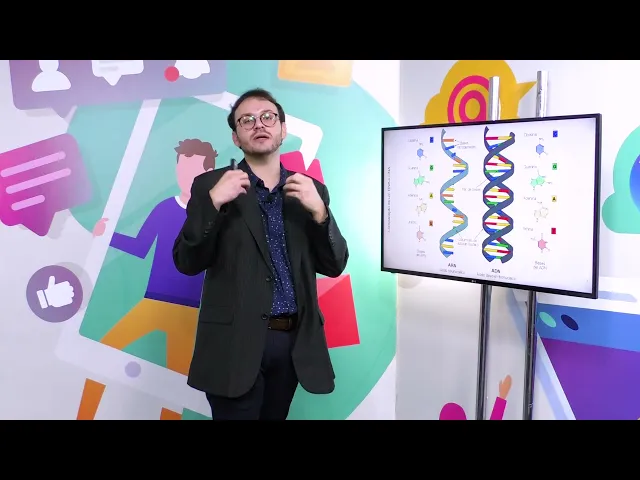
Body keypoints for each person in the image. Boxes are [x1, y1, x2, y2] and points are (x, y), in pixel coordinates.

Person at [173, 88, 349, 420]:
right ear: (236, 137)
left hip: (292, 343)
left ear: (282, 129)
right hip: (233, 344)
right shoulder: (210, 186)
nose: (259, 124)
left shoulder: (311, 190)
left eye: (268, 117)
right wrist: (213, 204)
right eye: (247, 120)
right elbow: (186, 261)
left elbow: (334, 264)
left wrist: (320, 213)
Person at [92, 139, 217, 377]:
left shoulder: (214, 216)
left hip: (188, 312)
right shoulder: (165, 208)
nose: (186, 176)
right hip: (152, 303)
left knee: (178, 379)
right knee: (103, 352)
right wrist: (107, 235)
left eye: (193, 170)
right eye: (182, 169)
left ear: (209, 172)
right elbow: (140, 247)